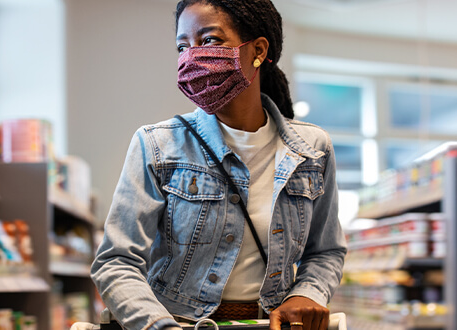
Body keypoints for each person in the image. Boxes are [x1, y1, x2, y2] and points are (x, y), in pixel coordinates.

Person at [90, 1, 346, 330]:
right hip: (177, 322)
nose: (191, 56)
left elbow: (326, 251)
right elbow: (116, 261)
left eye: (209, 41)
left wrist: (307, 294)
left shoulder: (313, 150)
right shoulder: (157, 146)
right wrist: (158, 326)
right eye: (183, 46)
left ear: (257, 50)